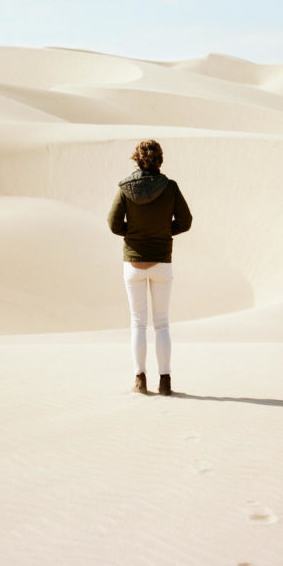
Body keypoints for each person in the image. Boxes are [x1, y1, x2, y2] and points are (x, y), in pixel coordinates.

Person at [107, 139, 192, 396]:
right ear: (159, 159)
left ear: (137, 159)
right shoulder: (170, 187)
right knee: (162, 324)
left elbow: (113, 223)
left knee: (138, 323)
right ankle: (165, 381)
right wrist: (165, 232)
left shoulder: (124, 188)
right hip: (162, 261)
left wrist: (132, 235)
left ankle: (140, 379)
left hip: (133, 262)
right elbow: (186, 221)